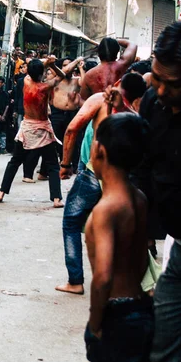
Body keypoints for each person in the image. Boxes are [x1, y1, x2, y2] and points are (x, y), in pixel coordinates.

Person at [137, 22, 181, 362]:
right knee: (165, 353)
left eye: (173, 84)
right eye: (156, 78)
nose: (160, 90)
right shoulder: (153, 102)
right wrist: (143, 227)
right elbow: (143, 167)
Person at [55, 73, 147, 295]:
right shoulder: (136, 113)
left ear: (116, 85)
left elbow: (72, 128)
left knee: (71, 223)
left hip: (95, 174)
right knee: (128, 229)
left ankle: (76, 280)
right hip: (125, 178)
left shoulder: (99, 100)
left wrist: (65, 163)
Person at [83, 112, 153, 362]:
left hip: (117, 315)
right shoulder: (139, 198)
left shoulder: (106, 210)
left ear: (99, 149)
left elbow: (102, 276)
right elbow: (142, 258)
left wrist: (96, 320)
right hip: (141, 307)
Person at [0, 57, 65, 208]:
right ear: (42, 73)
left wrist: (44, 64)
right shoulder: (45, 87)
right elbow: (62, 76)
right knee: (52, 165)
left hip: (27, 127)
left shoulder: (26, 82)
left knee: (14, 162)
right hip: (42, 128)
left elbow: (33, 70)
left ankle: (1, 193)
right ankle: (57, 199)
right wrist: (52, 64)